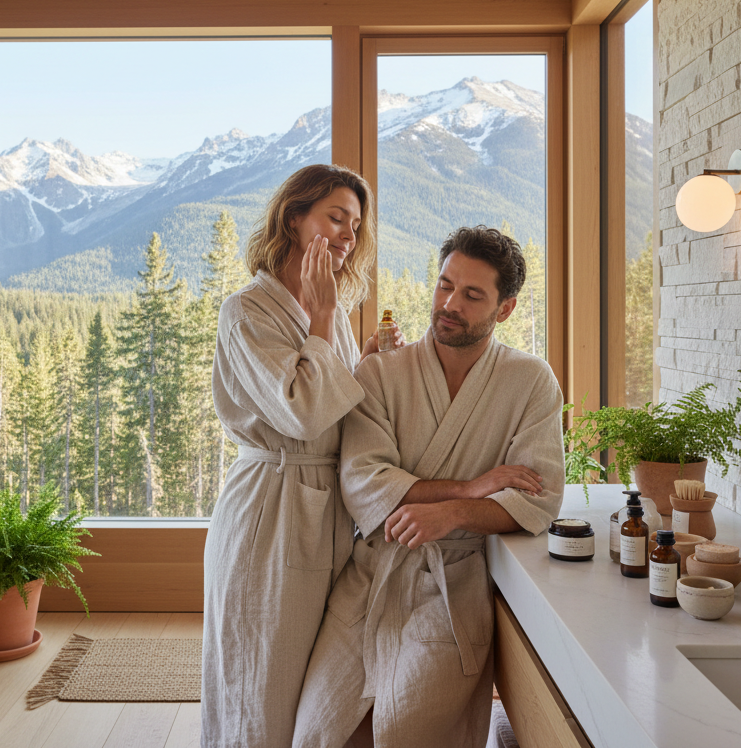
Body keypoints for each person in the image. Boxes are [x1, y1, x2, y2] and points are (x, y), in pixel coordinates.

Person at [292, 225, 565, 748]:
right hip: (372, 575)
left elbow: (540, 495)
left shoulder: (531, 381)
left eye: (471, 294)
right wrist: (470, 491)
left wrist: (453, 516)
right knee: (318, 733)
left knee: (407, 730)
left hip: (452, 584)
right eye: (445, 285)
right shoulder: (380, 374)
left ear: (504, 309)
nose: (449, 303)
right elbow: (365, 482)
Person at [202, 164, 404, 747]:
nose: (346, 234)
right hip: (271, 511)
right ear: (294, 218)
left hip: (326, 511)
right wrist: (320, 318)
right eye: (334, 217)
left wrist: (361, 354)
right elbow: (302, 412)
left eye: (355, 224)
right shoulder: (246, 311)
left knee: (311, 686)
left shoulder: (329, 310)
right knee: (260, 680)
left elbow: (329, 394)